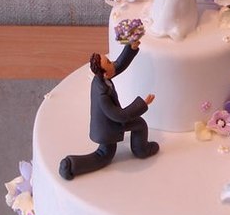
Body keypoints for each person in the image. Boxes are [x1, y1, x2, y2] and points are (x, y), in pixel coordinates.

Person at [59, 42, 159, 180]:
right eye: (109, 62)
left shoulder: (101, 78)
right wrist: (142, 104)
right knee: (105, 154)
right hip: (108, 127)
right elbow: (120, 116)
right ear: (105, 73)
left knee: (135, 127)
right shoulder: (103, 96)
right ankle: (72, 165)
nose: (113, 63)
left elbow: (119, 65)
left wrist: (131, 48)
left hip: (107, 123)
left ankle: (72, 165)